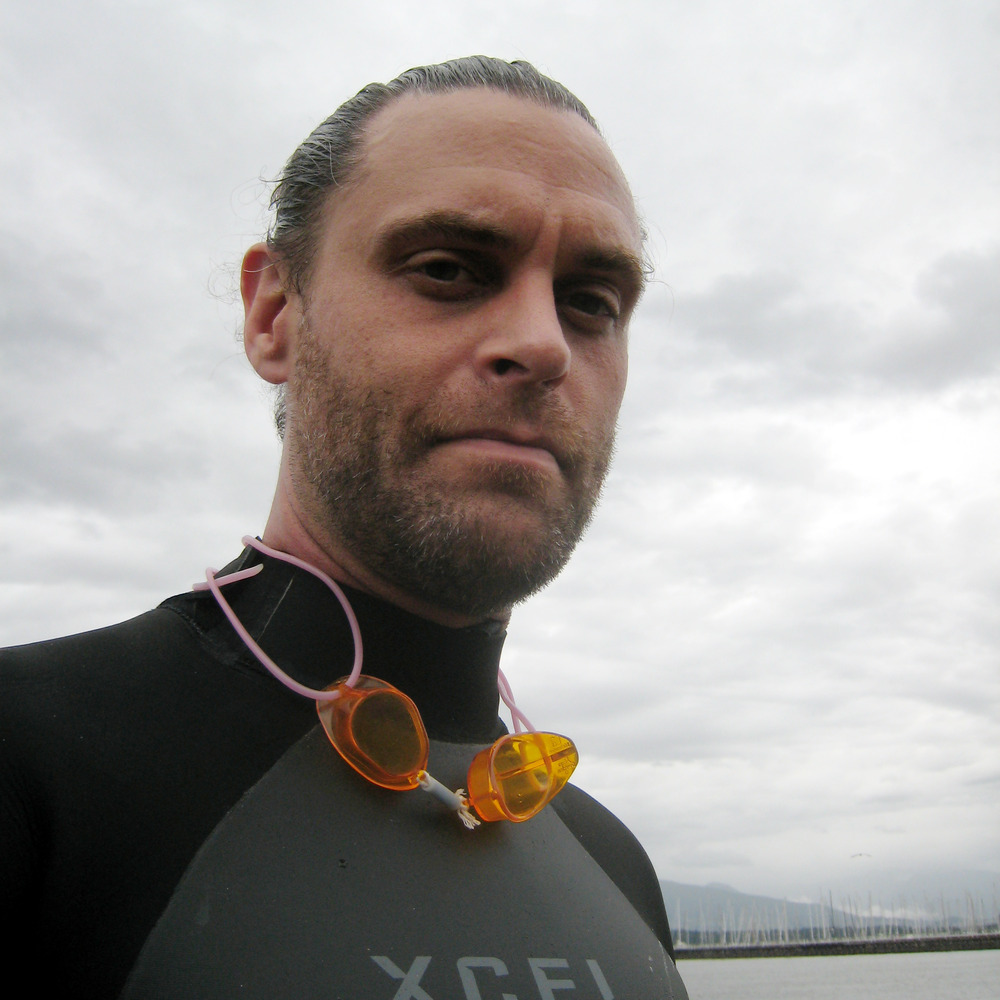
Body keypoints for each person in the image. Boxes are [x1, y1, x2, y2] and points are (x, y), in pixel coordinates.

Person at [0, 57, 688, 998]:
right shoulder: (31, 768)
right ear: (276, 316)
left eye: (592, 302)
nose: (543, 343)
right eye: (447, 269)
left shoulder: (616, 866)